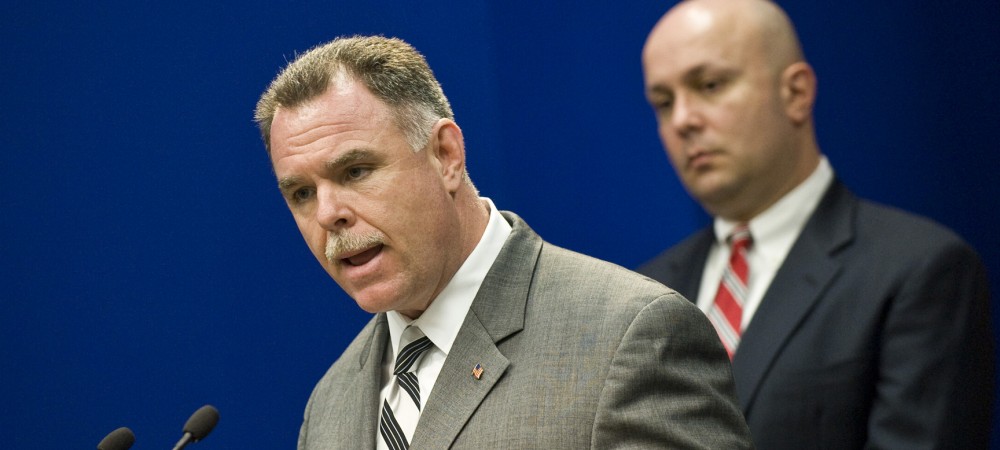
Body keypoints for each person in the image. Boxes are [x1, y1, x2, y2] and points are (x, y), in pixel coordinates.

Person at [254, 35, 752, 449]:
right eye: (301, 193)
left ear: (446, 155)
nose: (328, 214)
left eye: (355, 170)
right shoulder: (331, 403)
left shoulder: (630, 339)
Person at [639, 0, 994, 448]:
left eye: (710, 84)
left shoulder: (918, 270)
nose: (684, 120)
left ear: (796, 94)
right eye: (663, 102)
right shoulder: (645, 290)